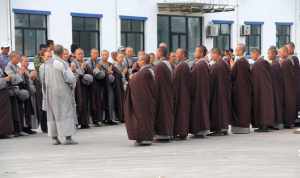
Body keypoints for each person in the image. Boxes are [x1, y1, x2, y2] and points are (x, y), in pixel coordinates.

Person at [44, 44, 77, 145]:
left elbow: (43, 80)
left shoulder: (46, 64)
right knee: (65, 113)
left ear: (53, 52)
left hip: (50, 92)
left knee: (52, 114)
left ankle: (54, 138)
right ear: (62, 52)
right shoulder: (62, 63)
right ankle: (68, 137)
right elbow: (69, 78)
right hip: (62, 92)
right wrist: (74, 78)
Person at [124, 54, 157, 146]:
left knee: (143, 119)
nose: (137, 62)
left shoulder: (144, 72)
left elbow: (134, 81)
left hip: (144, 100)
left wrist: (131, 77)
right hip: (148, 99)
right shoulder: (148, 70)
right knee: (146, 119)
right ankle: (146, 137)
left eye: (139, 60)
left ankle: (145, 138)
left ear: (143, 61)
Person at [5, 51, 30, 136]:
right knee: (16, 112)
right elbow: (11, 79)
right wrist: (20, 73)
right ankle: (16, 130)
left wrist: (22, 74)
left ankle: (21, 129)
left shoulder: (16, 66)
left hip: (19, 90)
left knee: (21, 110)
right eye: (18, 57)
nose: (19, 59)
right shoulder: (8, 67)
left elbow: (21, 78)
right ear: (12, 58)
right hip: (14, 91)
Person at [251, 48, 275, 132]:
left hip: (262, 89)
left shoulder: (260, 63)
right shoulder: (262, 62)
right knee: (263, 107)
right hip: (264, 88)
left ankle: (264, 126)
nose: (251, 56)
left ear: (256, 54)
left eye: (252, 54)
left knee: (263, 107)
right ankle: (262, 125)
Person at [209, 48, 232, 136]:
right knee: (223, 110)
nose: (211, 56)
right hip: (224, 91)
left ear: (216, 54)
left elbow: (213, 79)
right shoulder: (224, 63)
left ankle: (219, 129)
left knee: (219, 111)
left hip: (218, 92)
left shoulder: (218, 65)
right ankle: (224, 128)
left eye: (212, 54)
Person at [231, 44, 252, 134]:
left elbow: (233, 75)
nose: (235, 51)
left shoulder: (239, 62)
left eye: (237, 49)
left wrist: (231, 67)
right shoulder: (245, 62)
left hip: (239, 90)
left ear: (240, 51)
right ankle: (244, 126)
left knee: (240, 109)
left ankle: (240, 127)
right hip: (245, 90)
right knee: (244, 108)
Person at [154, 47, 174, 141]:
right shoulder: (168, 64)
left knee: (162, 114)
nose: (156, 54)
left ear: (160, 53)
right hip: (167, 93)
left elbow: (157, 82)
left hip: (161, 94)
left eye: (157, 52)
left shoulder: (160, 65)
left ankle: (163, 134)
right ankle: (168, 133)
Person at [190, 46, 210, 137]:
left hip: (199, 92)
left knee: (200, 111)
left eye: (196, 51)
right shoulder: (200, 63)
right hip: (200, 92)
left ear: (201, 53)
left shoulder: (201, 65)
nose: (195, 53)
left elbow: (195, 79)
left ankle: (200, 130)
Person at [72, 48, 93, 129]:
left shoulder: (85, 63)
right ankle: (78, 122)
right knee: (80, 104)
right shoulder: (73, 63)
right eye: (79, 54)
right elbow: (77, 74)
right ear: (75, 55)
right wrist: (81, 68)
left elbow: (90, 74)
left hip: (86, 86)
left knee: (86, 104)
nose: (81, 55)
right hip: (78, 87)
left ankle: (85, 122)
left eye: (82, 53)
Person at [173, 48, 191, 140]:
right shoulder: (182, 65)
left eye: (177, 53)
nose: (176, 55)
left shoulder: (182, 66)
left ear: (183, 55)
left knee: (182, 114)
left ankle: (182, 132)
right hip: (182, 93)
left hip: (182, 94)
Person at [99, 50, 118, 125]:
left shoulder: (110, 64)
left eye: (106, 55)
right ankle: (103, 119)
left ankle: (110, 118)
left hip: (109, 86)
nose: (105, 56)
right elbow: (98, 74)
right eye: (103, 55)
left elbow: (116, 72)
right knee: (102, 102)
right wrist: (107, 72)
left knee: (110, 101)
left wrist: (112, 73)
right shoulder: (99, 64)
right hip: (101, 86)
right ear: (101, 55)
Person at [86, 48, 104, 127]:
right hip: (91, 85)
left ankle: (98, 120)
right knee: (92, 103)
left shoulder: (99, 62)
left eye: (97, 53)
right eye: (94, 53)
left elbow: (102, 73)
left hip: (98, 84)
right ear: (91, 54)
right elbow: (92, 72)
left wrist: (98, 69)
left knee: (98, 102)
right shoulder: (88, 62)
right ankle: (93, 120)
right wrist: (97, 68)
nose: (95, 55)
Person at [280, 46, 297, 128]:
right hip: (290, 87)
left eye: (280, 52)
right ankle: (290, 122)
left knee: (288, 105)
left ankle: (288, 123)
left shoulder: (286, 62)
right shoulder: (288, 61)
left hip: (287, 87)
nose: (279, 54)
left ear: (285, 52)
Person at [267, 46, 284, 129]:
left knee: (276, 105)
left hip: (276, 88)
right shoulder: (275, 63)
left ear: (274, 54)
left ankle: (277, 123)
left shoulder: (275, 64)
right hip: (276, 88)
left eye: (269, 53)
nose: (268, 55)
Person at [38, 49, 52, 133]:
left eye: (50, 56)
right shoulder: (42, 67)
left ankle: (49, 125)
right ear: (43, 57)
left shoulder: (53, 65)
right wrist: (45, 90)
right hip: (46, 88)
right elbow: (42, 80)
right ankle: (44, 126)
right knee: (45, 107)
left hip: (52, 88)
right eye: (47, 56)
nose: (49, 58)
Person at [286, 42, 300, 123]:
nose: (287, 50)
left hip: (295, 85)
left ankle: (295, 119)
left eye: (288, 48)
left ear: (292, 48)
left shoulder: (294, 58)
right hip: (293, 85)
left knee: (295, 102)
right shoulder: (290, 58)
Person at [0, 67, 14, 138]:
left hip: (4, 92)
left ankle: (4, 132)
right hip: (1, 91)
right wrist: (4, 79)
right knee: (2, 114)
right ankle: (1, 133)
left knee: (5, 113)